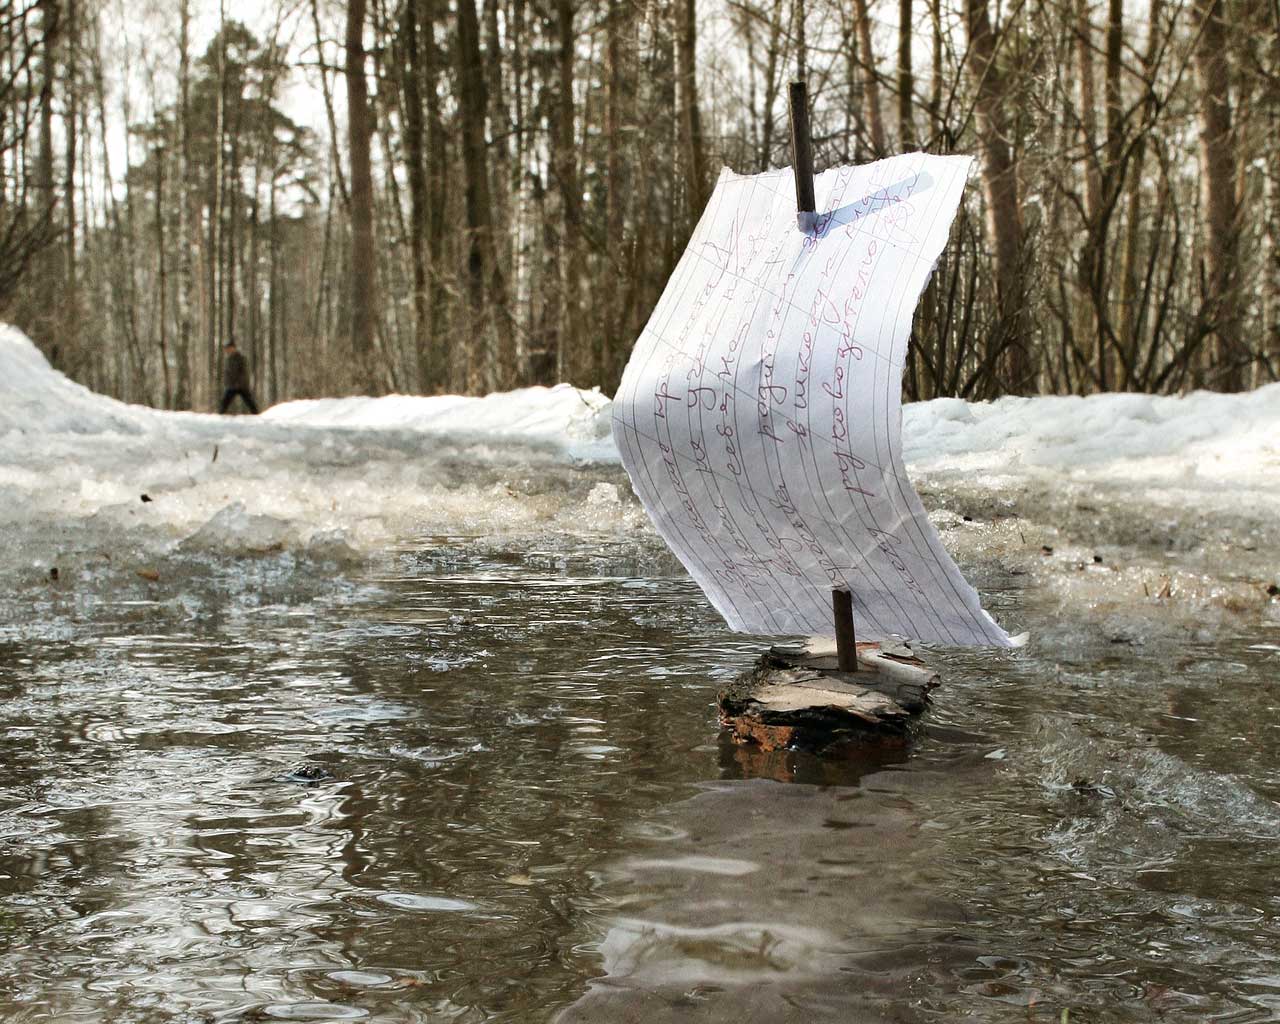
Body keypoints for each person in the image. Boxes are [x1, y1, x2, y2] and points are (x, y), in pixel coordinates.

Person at [218, 341, 259, 415]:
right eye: (226, 349)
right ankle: (220, 414)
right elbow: (228, 372)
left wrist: (239, 382)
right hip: (231, 384)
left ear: (233, 348)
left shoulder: (240, 358)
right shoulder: (229, 359)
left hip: (241, 385)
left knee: (249, 401)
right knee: (225, 401)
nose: (227, 350)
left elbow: (244, 372)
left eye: (228, 348)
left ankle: (256, 414)